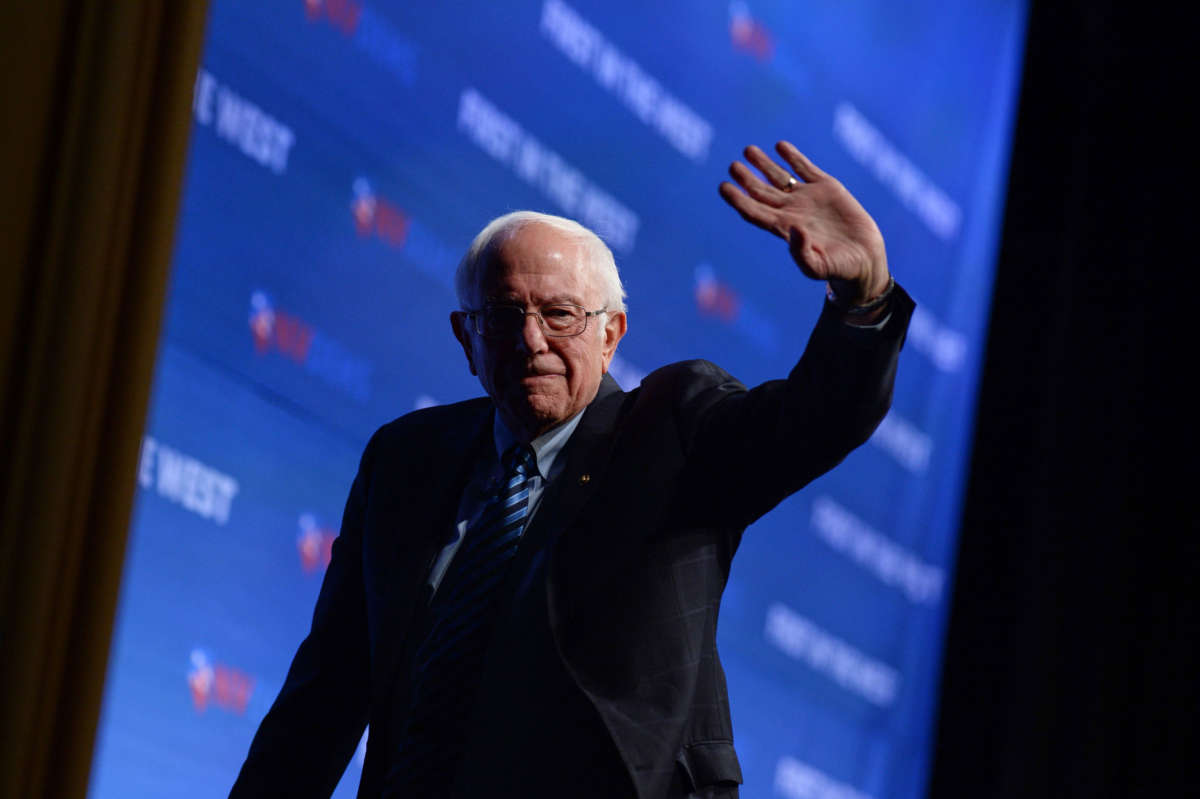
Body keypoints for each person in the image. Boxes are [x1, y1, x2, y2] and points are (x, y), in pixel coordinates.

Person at [230, 142, 914, 798]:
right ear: (465, 337)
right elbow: (325, 695)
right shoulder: (405, 460)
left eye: (559, 314)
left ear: (610, 333)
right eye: (503, 316)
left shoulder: (673, 428)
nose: (533, 340)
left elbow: (812, 423)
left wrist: (864, 300)